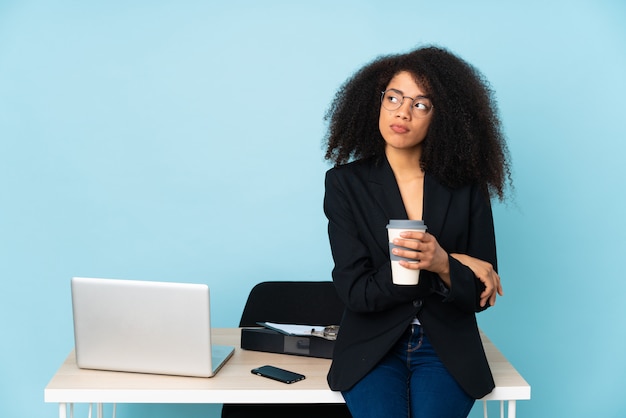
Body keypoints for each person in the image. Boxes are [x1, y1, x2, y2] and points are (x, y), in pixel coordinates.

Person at [322, 46, 512, 418]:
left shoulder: (467, 187)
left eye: (421, 104)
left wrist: (442, 261)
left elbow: (479, 294)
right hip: (372, 348)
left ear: (442, 117)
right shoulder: (345, 184)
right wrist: (452, 262)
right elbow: (356, 292)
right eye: (393, 97)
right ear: (376, 102)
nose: (402, 112)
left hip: (447, 348)